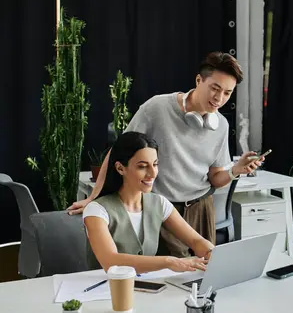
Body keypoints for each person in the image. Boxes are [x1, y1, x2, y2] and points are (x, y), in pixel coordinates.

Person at [69, 52, 265, 256]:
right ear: (199, 80)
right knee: (165, 278)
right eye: (215, 88)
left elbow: (215, 178)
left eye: (227, 93)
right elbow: (118, 151)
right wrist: (94, 197)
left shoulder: (221, 126)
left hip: (201, 208)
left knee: (203, 273)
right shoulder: (157, 108)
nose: (219, 98)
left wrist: (235, 170)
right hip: (163, 210)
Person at [83, 132, 214, 273]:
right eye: (142, 166)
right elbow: (111, 261)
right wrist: (169, 261)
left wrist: (211, 252)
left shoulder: (159, 203)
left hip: (147, 287)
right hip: (105, 289)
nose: (152, 173)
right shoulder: (96, 210)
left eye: (155, 164)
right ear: (120, 168)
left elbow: (196, 241)